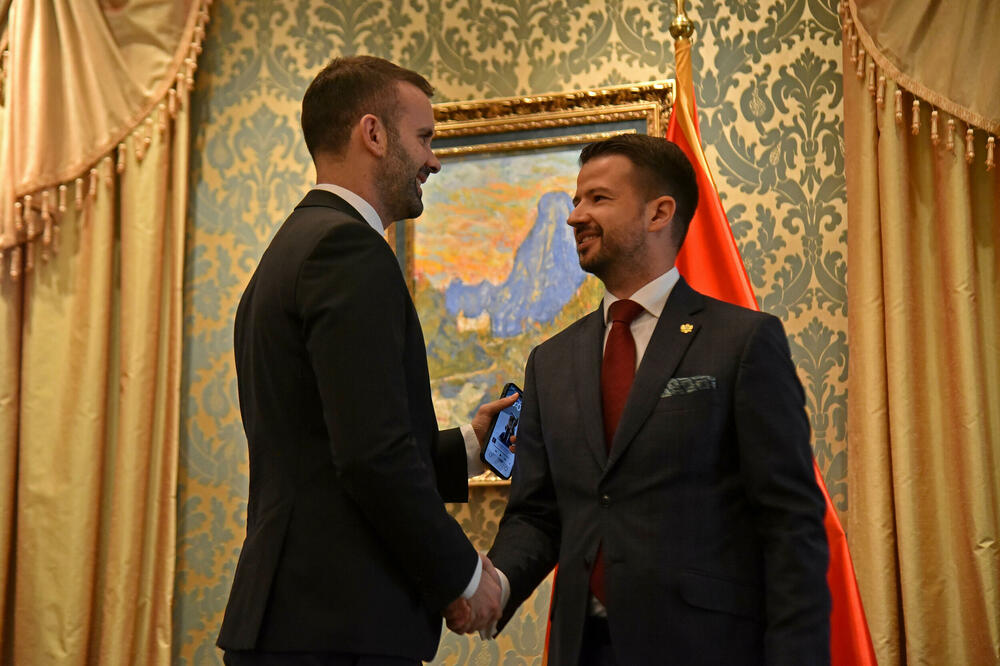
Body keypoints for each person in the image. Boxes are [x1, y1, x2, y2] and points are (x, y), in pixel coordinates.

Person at [474, 134, 831, 665]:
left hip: (707, 649)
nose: (575, 217)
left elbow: (789, 523)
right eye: (575, 201)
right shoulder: (550, 361)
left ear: (659, 212)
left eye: (597, 199)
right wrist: (495, 585)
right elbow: (539, 514)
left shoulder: (741, 342)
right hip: (584, 650)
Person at [217, 56, 510, 665]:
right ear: (372, 134)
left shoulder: (293, 248)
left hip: (301, 620)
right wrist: (465, 578)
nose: (434, 159)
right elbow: (371, 458)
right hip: (336, 627)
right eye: (424, 137)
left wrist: (471, 444)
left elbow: (329, 444)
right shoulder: (347, 248)